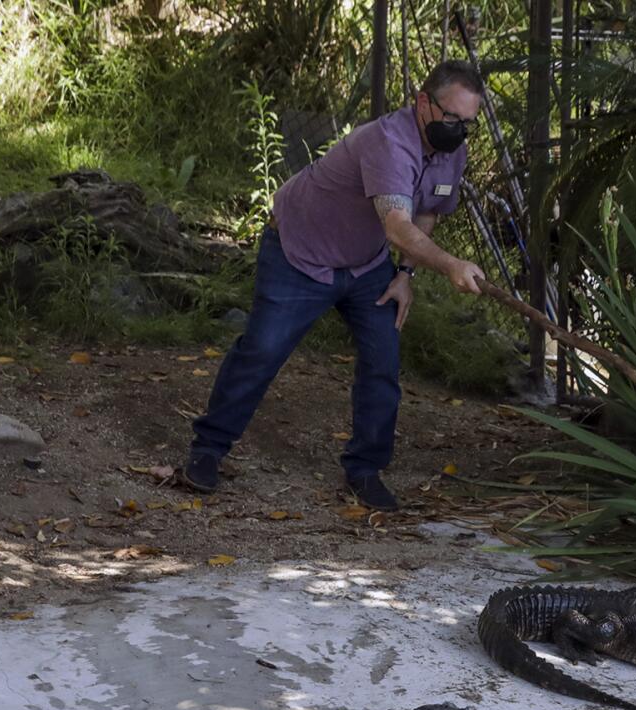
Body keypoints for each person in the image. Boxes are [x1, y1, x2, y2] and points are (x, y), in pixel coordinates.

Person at [182, 61, 490, 512]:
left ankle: (365, 469)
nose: (458, 130)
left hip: (366, 266)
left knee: (383, 360)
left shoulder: (452, 149)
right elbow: (399, 226)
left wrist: (406, 275)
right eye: (451, 119)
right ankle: (207, 450)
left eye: (468, 124)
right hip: (301, 252)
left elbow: (429, 208)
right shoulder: (387, 142)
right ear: (424, 103)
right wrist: (450, 265)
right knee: (263, 350)